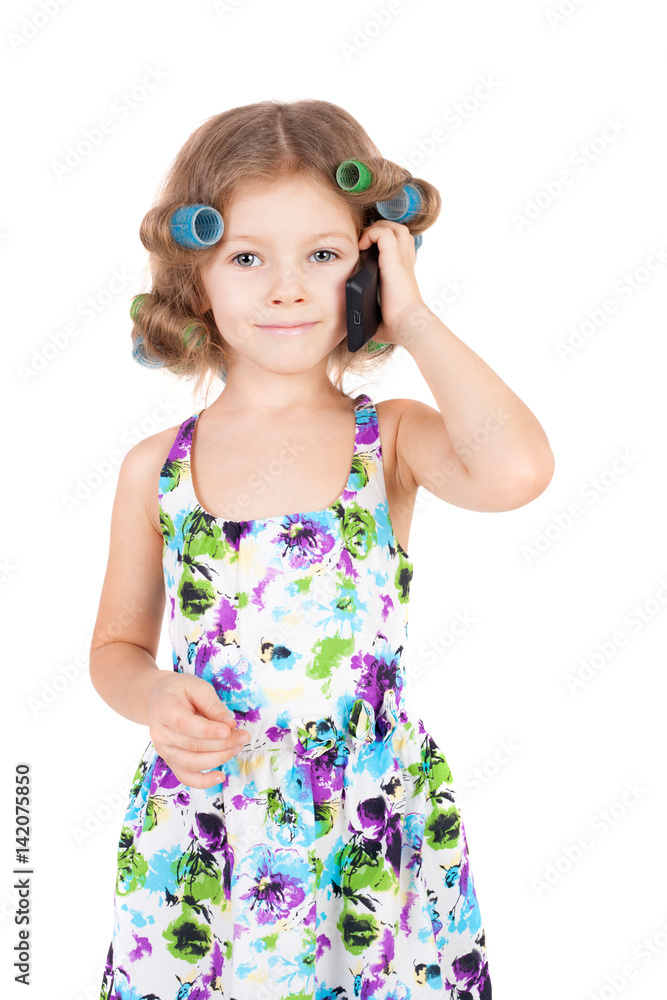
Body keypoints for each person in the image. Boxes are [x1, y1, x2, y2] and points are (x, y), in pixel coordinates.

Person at [90, 99, 554, 1000]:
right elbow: (115, 647)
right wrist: (152, 696)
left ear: (371, 264)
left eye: (324, 254)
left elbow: (516, 470)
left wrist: (413, 318)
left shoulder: (392, 440)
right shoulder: (156, 468)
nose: (286, 288)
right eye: (247, 257)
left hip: (366, 825)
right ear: (196, 274)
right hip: (208, 829)